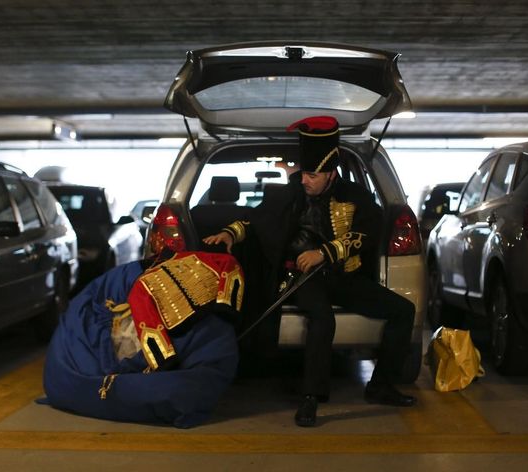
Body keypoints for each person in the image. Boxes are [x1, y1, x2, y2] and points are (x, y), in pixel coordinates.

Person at [203, 115, 417, 427]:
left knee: (403, 310)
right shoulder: (292, 193)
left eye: (313, 175)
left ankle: (381, 384)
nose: (305, 179)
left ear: (331, 174)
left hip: (344, 276)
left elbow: (365, 235)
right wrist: (231, 234)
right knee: (322, 318)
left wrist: (324, 253)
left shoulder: (355, 195)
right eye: (304, 172)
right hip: (303, 279)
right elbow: (258, 218)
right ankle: (310, 398)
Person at [41, 248, 244, 429]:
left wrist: (162, 359)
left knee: (182, 389)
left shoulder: (140, 286)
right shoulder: (134, 285)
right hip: (170, 344)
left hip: (174, 345)